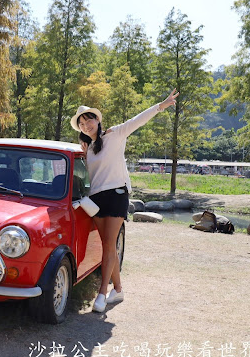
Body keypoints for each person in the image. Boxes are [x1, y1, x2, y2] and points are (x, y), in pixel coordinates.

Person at [71, 88, 179, 313]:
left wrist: (162, 105)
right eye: (81, 123)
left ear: (97, 120)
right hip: (96, 200)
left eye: (88, 119)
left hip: (117, 195)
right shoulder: (86, 149)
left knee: (109, 245)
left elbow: (138, 120)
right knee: (106, 246)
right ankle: (118, 290)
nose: (86, 125)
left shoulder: (115, 134)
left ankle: (101, 294)